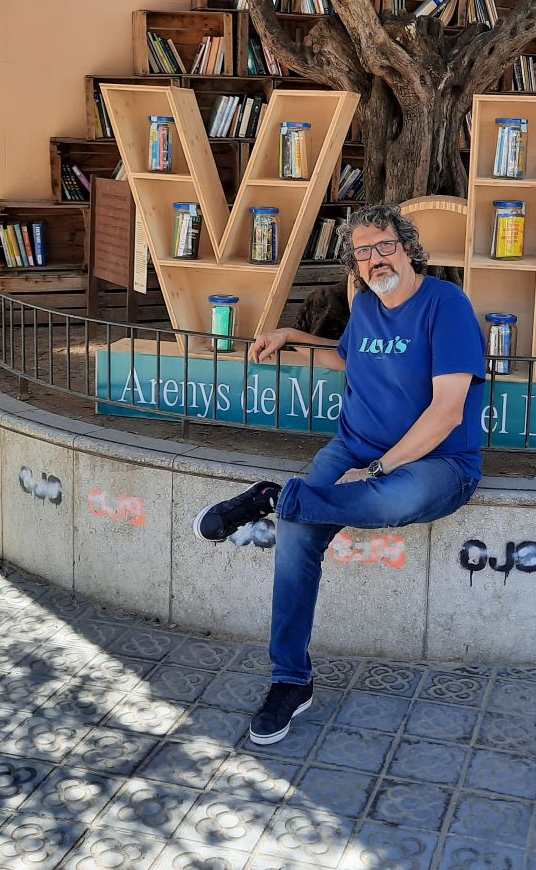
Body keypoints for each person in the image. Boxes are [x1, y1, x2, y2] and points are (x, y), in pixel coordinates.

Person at [193, 203, 487, 744]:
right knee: (299, 533)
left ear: (407, 246)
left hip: (440, 463)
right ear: (355, 263)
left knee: (390, 500)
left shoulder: (447, 306)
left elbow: (448, 411)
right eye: (363, 251)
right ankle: (290, 679)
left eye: (385, 246)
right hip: (354, 445)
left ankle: (274, 497)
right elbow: (350, 359)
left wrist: (376, 469)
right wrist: (290, 336)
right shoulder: (368, 305)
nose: (376, 259)